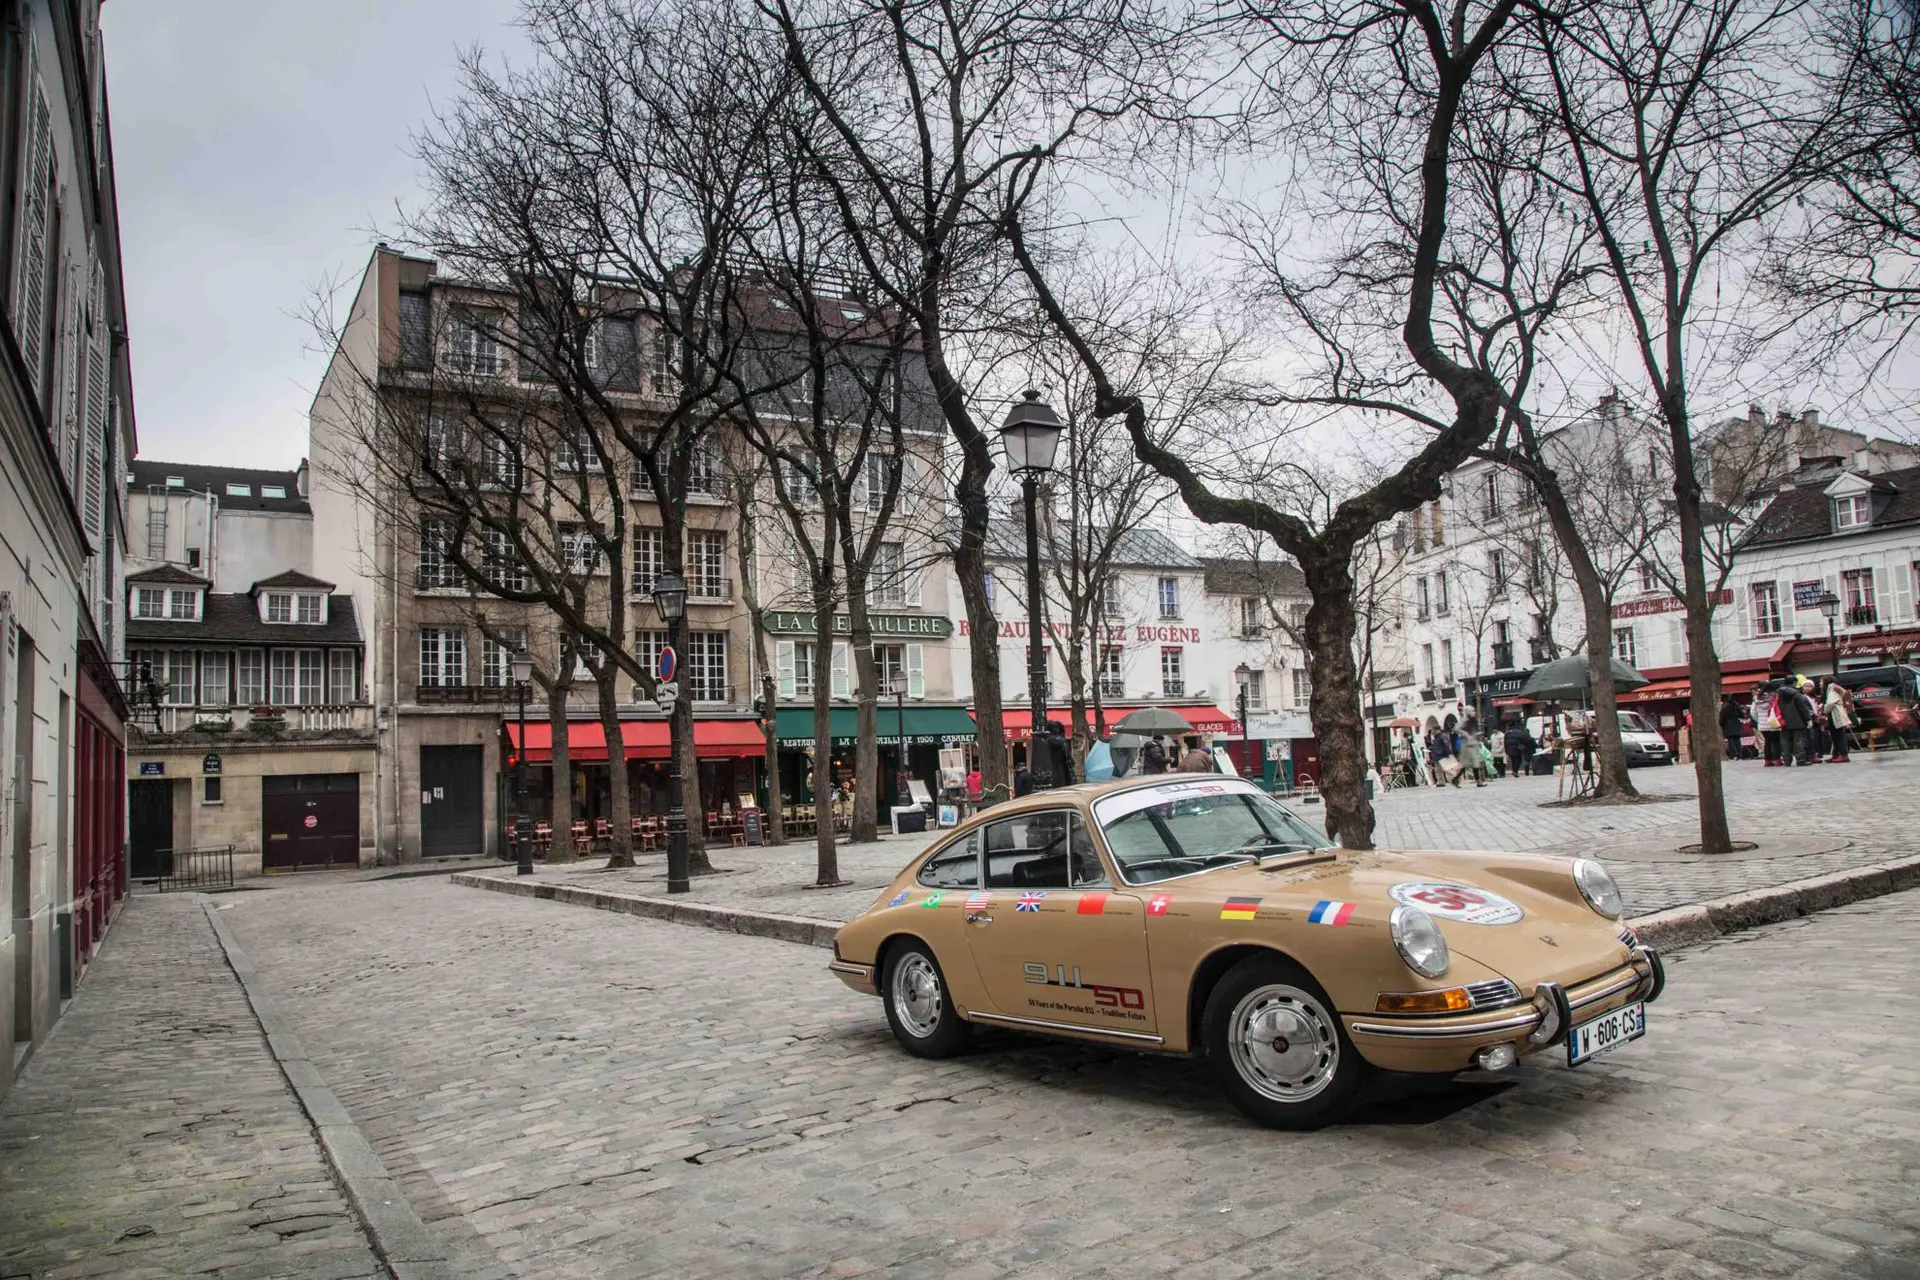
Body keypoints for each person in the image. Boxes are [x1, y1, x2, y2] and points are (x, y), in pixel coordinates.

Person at [1777, 676, 1813, 766]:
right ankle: (1800, 760)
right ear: (1794, 683)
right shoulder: (1796, 694)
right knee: (1798, 741)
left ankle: (1787, 761)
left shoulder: (1779, 694)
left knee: (1785, 741)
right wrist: (1808, 719)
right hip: (1797, 721)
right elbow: (1802, 708)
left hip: (1784, 721)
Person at [1037, 720, 1076, 787]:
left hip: (1055, 774)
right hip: (1064, 774)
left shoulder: (1049, 740)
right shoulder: (1062, 741)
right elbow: (1070, 760)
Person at [1754, 682, 1783, 766]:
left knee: (1767, 742)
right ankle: (1777, 759)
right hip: (1773, 722)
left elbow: (1753, 712)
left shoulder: (1757, 698)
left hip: (1762, 725)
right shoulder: (1774, 697)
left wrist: (1759, 720)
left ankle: (1767, 760)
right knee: (1776, 741)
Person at [1826, 679, 1855, 762]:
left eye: (1821, 681)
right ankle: (1836, 754)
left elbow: (1830, 703)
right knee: (1836, 736)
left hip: (1836, 716)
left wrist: (1824, 709)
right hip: (1836, 716)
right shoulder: (1833, 690)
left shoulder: (1832, 691)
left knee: (1839, 736)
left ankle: (1843, 755)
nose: (1820, 683)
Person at [1456, 719, 1488, 787]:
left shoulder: (1472, 728)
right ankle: (1455, 779)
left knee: (1475, 765)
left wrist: (1477, 737)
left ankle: (1478, 781)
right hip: (1468, 749)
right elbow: (1457, 729)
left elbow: (1474, 738)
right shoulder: (1465, 729)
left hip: (1473, 748)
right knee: (1466, 765)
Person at [1718, 695, 1747, 761]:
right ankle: (1739, 755)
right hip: (1736, 723)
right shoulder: (1736, 706)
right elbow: (1742, 715)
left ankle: (1732, 755)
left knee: (1731, 740)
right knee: (1737, 739)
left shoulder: (1725, 707)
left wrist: (1722, 724)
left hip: (1728, 724)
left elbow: (1722, 718)